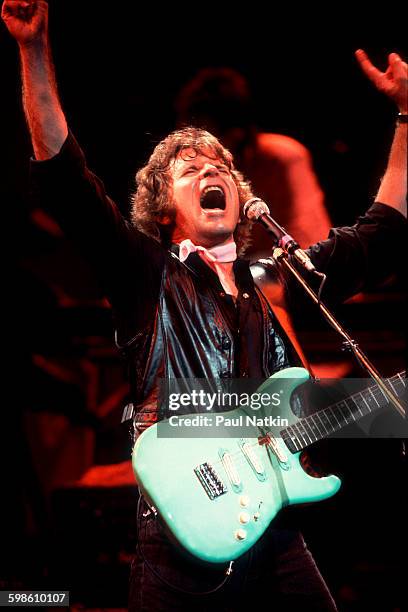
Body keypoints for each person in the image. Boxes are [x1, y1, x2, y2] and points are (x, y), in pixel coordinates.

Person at [2, 1, 407, 610]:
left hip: (272, 524)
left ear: (243, 200)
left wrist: (407, 114)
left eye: (219, 167)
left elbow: (384, 233)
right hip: (182, 529)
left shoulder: (276, 277)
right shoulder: (148, 273)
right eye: (190, 170)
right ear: (165, 211)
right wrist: (33, 53)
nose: (209, 171)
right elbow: (66, 181)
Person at [175, 66, 332, 258]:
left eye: (205, 140)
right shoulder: (194, 177)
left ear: (236, 133)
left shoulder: (283, 157)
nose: (196, 151)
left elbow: (306, 242)